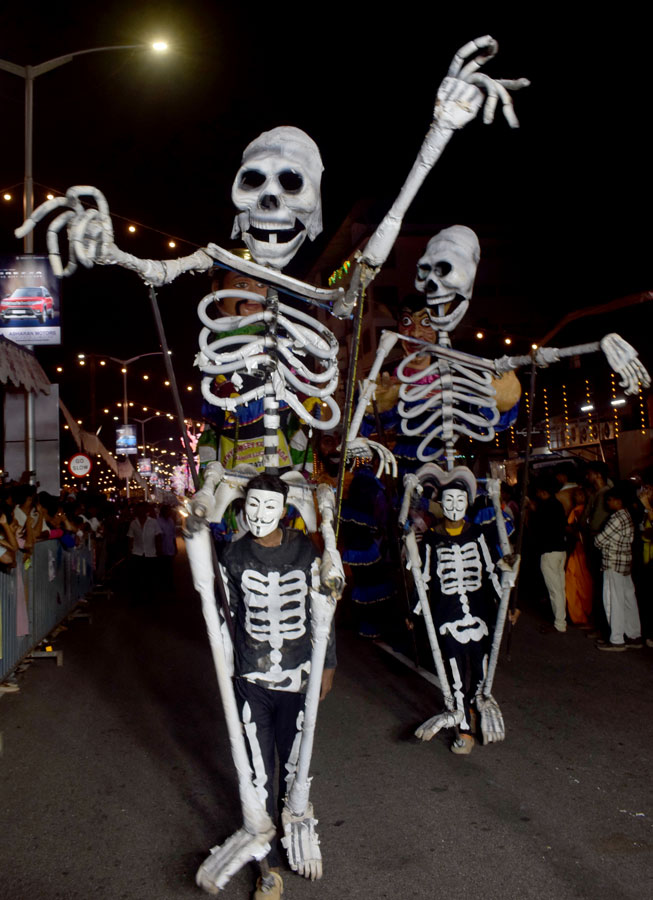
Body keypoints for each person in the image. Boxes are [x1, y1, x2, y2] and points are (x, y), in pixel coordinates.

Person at [219, 474, 336, 899]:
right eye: (252, 505)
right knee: (257, 771)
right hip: (251, 678)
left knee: (293, 764)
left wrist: (328, 665)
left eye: (268, 506)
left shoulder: (305, 549)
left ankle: (294, 829)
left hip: (298, 675)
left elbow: (322, 607)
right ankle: (263, 856)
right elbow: (226, 616)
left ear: (283, 510)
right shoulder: (232, 555)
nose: (259, 514)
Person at [594, 486, 642, 651]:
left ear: (618, 501)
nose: (607, 503)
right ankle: (634, 635)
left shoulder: (616, 518)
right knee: (629, 600)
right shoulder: (627, 515)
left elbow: (599, 541)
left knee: (613, 601)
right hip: (625, 562)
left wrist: (599, 539)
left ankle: (616, 639)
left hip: (613, 563)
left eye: (609, 500)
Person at [529, 478, 568, 632]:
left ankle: (559, 623)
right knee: (560, 588)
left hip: (549, 551)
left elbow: (538, 529)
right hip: (560, 550)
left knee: (554, 589)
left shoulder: (544, 507)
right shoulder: (557, 504)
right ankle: (561, 619)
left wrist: (533, 511)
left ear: (543, 492)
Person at [565, 487, 593, 625]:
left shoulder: (582, 511)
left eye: (580, 494)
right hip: (577, 550)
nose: (577, 497)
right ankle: (579, 615)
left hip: (582, 551)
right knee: (574, 581)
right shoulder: (576, 510)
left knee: (583, 583)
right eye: (575, 495)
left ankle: (583, 615)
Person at [127, 503, 162, 604]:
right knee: (137, 577)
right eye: (139, 510)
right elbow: (130, 537)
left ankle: (150, 598)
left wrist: (159, 550)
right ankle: (137, 598)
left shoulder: (153, 522)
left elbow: (158, 536)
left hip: (151, 553)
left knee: (150, 577)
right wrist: (129, 551)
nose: (141, 512)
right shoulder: (133, 523)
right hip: (137, 553)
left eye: (143, 510)